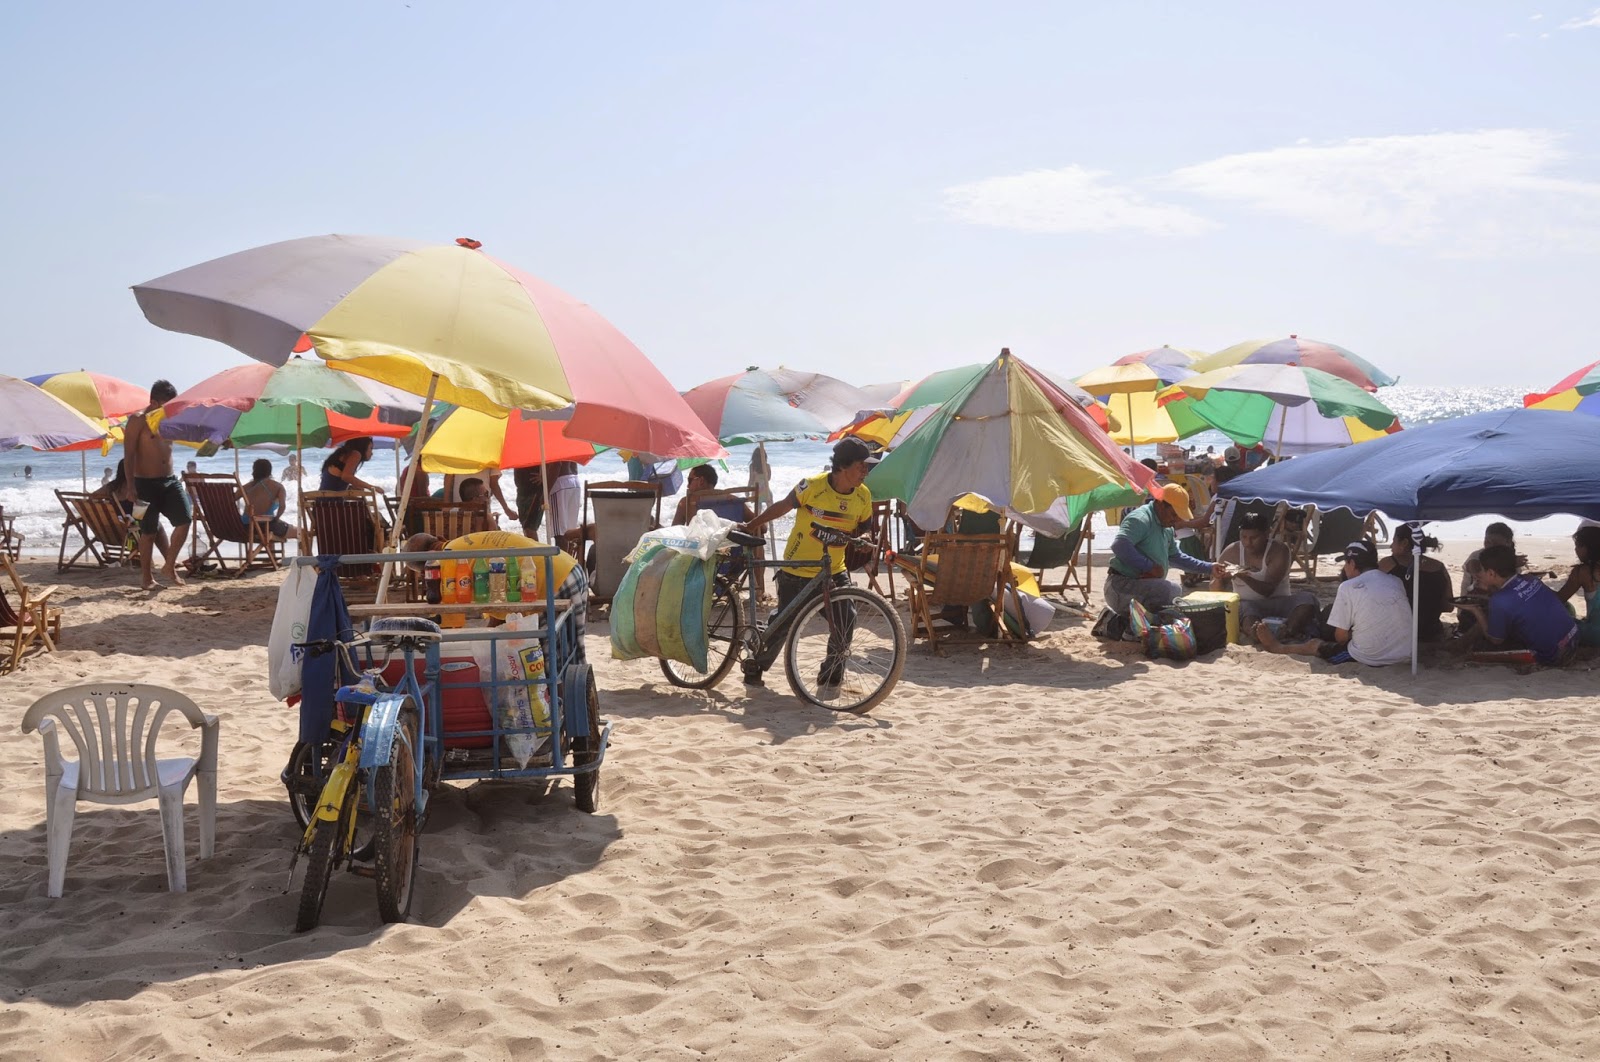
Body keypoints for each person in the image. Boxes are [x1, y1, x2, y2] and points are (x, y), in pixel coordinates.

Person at [738, 437, 877, 686]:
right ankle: (755, 665)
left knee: (846, 620)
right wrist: (751, 526)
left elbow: (866, 526)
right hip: (797, 569)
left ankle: (831, 674)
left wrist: (864, 538)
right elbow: (783, 506)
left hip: (834, 570)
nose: (866, 472)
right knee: (784, 623)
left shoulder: (863, 496)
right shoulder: (812, 486)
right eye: (861, 466)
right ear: (843, 467)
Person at [403, 530, 587, 663]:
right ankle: (583, 711)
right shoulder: (465, 542)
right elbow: (494, 604)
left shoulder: (444, 566)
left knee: (552, 661)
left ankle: (565, 714)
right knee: (574, 653)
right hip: (569, 566)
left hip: (551, 580)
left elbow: (450, 630)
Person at [1253, 540, 1412, 666]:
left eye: (1346, 564)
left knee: (1316, 645)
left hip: (1370, 658)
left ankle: (1278, 647)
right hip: (1405, 654)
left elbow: (1341, 637)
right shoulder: (1395, 581)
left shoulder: (1348, 587)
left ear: (1352, 564)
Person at [1103, 485, 1227, 615]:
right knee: (1170, 590)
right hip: (1120, 587)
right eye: (1173, 514)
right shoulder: (1141, 519)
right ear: (1161, 504)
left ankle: (1129, 623)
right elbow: (1119, 545)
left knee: (1172, 596)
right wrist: (1148, 566)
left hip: (1138, 587)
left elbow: (1176, 557)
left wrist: (1209, 567)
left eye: (1178, 516)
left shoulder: (1166, 527)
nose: (1176, 520)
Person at [1459, 544, 1579, 665]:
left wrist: (1476, 610)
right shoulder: (1530, 579)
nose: (1478, 576)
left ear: (1491, 573)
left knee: (1479, 646)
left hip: (1553, 654)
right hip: (1573, 637)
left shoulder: (1499, 600)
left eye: (1481, 572)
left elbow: (1496, 640)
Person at [123, 379, 192, 590]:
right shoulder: (137, 420)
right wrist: (131, 486)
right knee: (148, 531)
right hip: (145, 483)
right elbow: (129, 455)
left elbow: (191, 433)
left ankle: (168, 566)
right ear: (153, 402)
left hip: (169, 480)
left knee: (185, 520)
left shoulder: (170, 419)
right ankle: (146, 578)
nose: (169, 409)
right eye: (165, 405)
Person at [1212, 511, 1319, 639]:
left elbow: (1268, 590)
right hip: (1249, 606)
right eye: (1244, 537)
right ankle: (1258, 635)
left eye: (1253, 538)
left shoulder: (1279, 550)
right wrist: (1218, 578)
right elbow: (1215, 591)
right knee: (1244, 607)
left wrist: (1242, 575)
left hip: (1279, 603)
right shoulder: (1232, 551)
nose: (1248, 542)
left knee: (1307, 599)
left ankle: (1287, 631)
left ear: (1267, 534)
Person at [1379, 523, 1454, 641]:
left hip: (1398, 633)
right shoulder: (1439, 567)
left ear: (1404, 543)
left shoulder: (1387, 564)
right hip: (1432, 633)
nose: (1390, 546)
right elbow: (1449, 607)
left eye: (1393, 541)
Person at [1556, 525, 1600, 647]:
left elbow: (1559, 599)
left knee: (1556, 616)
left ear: (1590, 548)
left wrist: (1539, 587)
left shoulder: (1583, 572)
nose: (1576, 550)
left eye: (1579, 546)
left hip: (1596, 635)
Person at [672, 463, 753, 526]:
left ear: (701, 481)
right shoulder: (733, 500)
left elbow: (674, 533)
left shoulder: (686, 503)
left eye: (690, 480)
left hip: (699, 547)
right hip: (732, 546)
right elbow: (762, 528)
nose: (688, 486)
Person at [242, 458, 292, 542]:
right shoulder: (277, 486)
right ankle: (308, 554)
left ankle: (272, 554)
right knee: (301, 532)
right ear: (269, 471)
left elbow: (230, 500)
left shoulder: (246, 487)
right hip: (265, 527)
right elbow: (282, 507)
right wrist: (277, 518)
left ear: (254, 471)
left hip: (245, 527)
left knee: (271, 529)